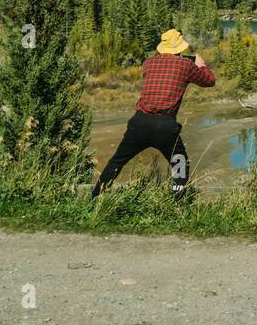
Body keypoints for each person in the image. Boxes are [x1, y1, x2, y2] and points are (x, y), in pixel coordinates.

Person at [91, 28, 216, 198]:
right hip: (165, 126)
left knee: (117, 162)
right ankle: (177, 202)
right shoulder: (186, 65)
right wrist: (201, 65)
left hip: (139, 122)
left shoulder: (148, 63)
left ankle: (95, 198)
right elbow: (209, 81)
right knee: (180, 163)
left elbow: (163, 70)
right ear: (180, 48)